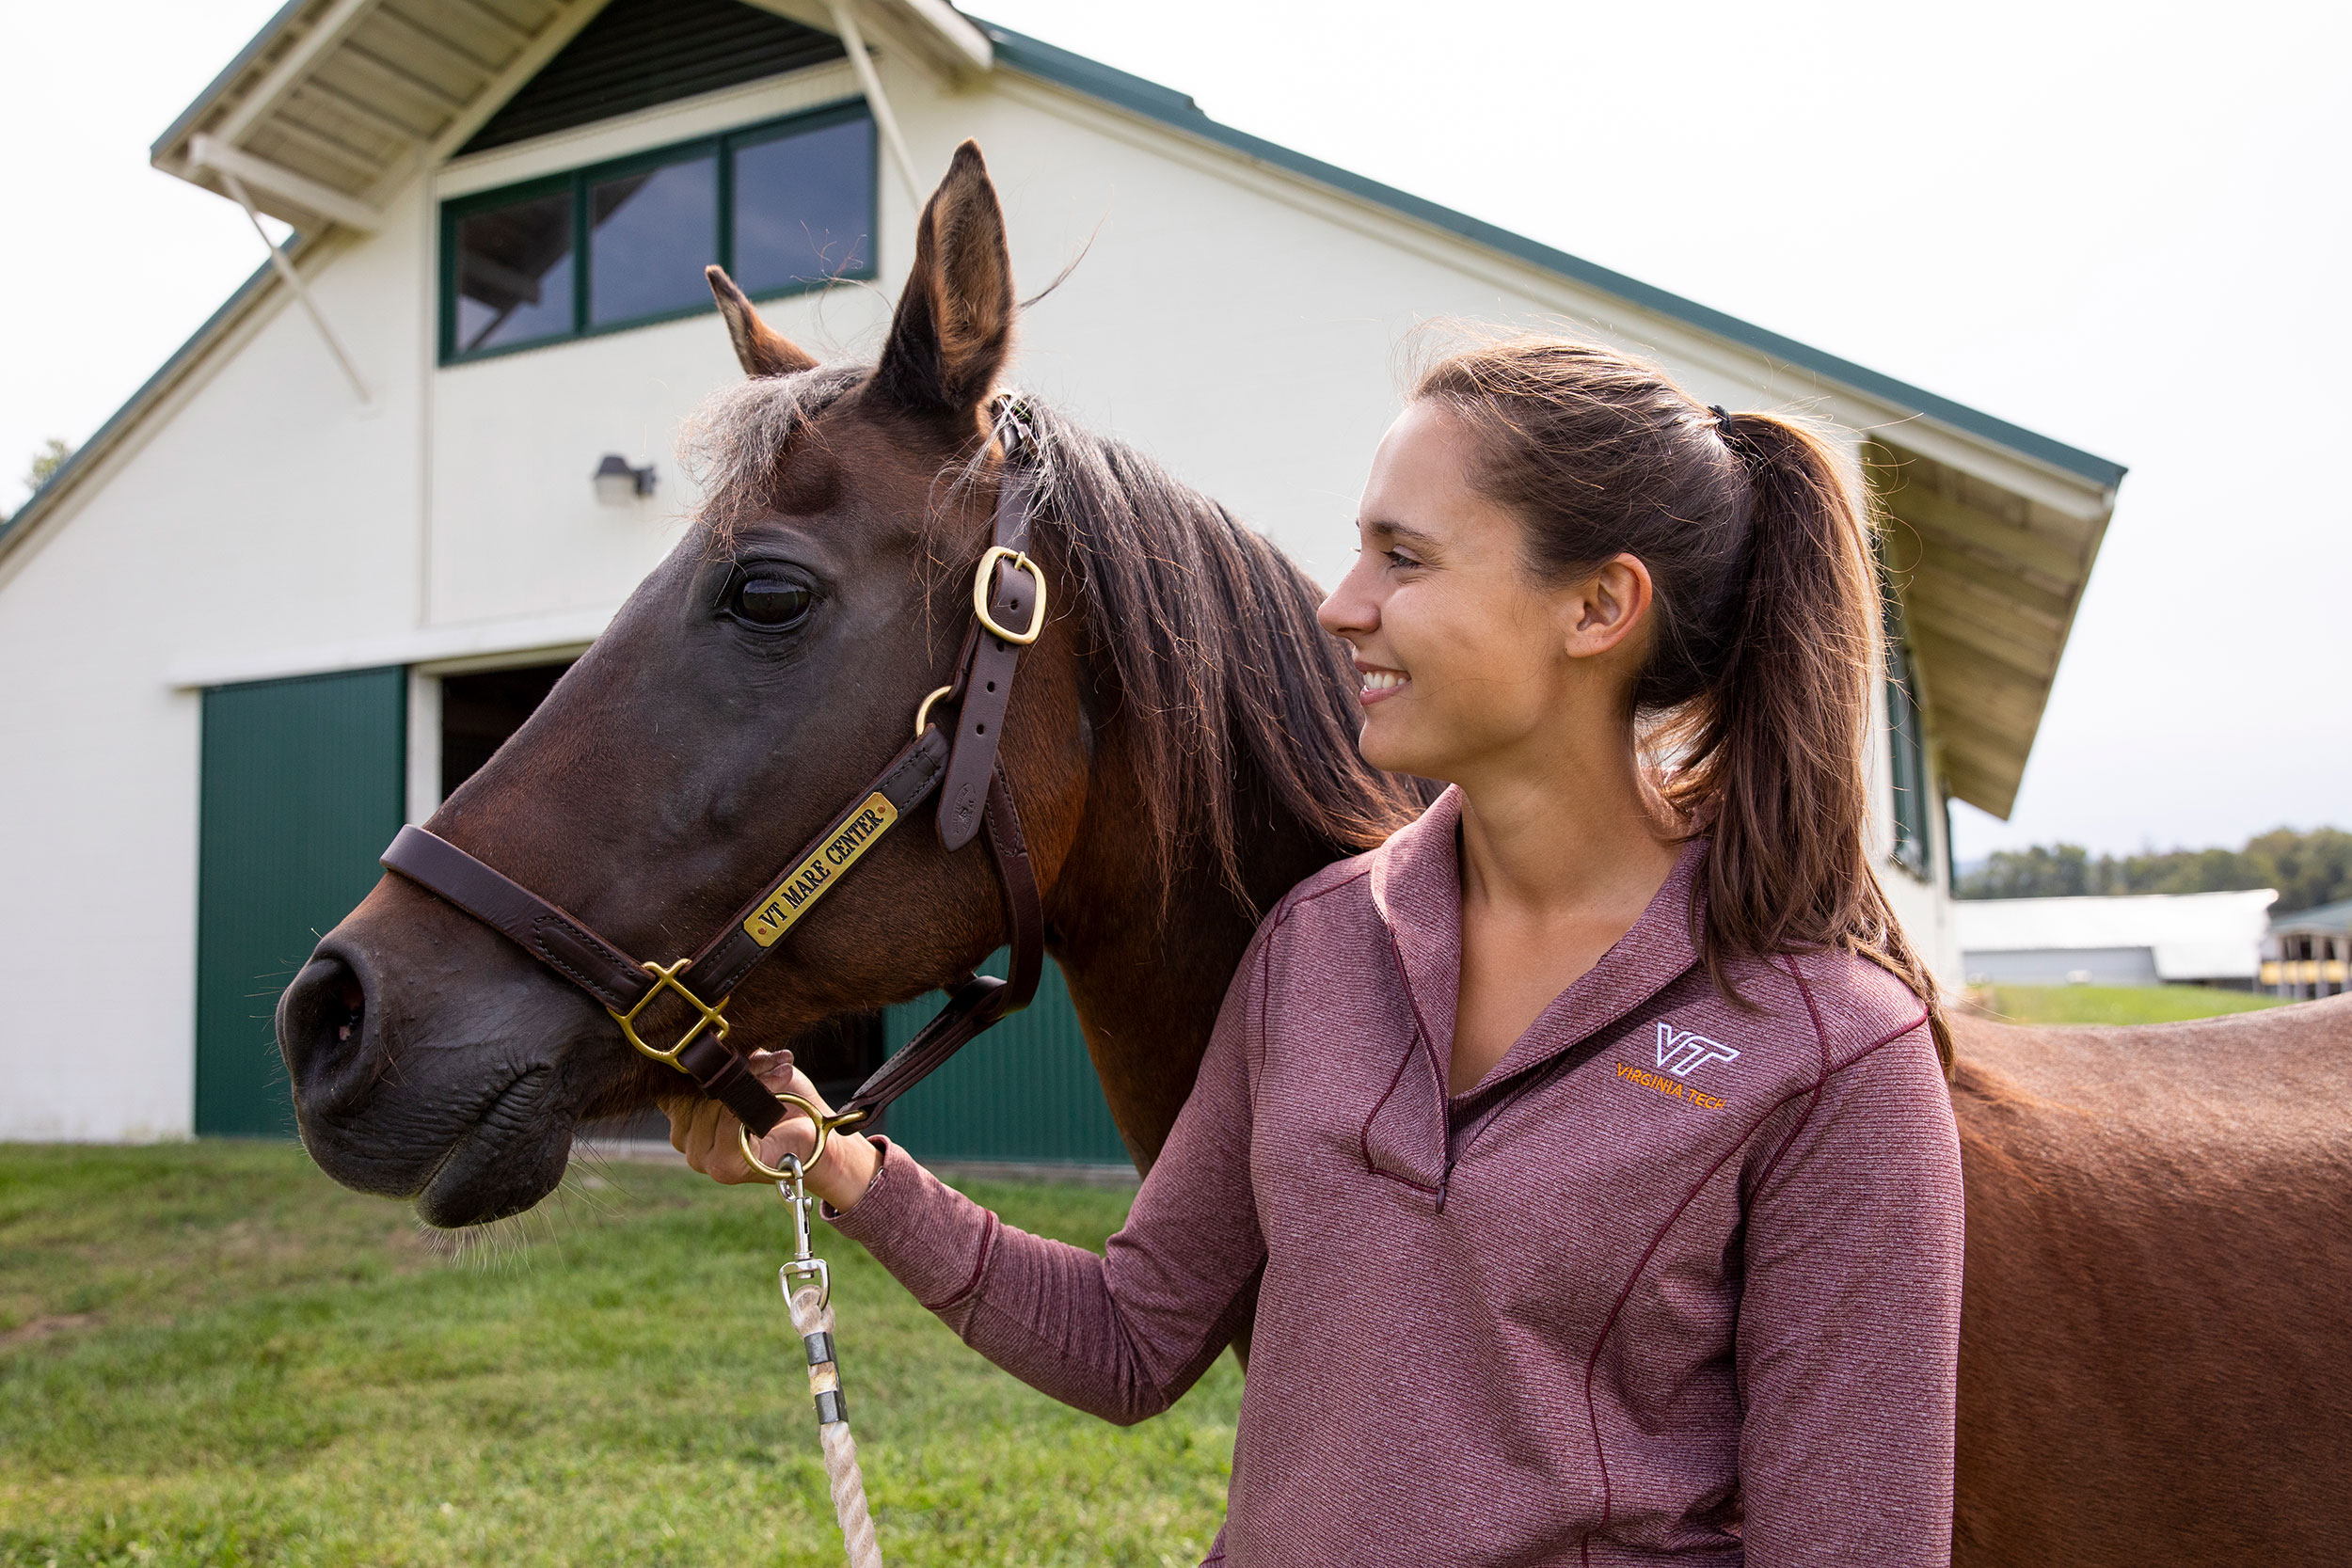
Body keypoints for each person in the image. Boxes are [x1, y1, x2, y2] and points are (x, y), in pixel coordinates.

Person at [666, 336, 1965, 1566]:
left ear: (1598, 607)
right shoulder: (1320, 943)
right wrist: (839, 1162)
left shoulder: (1830, 1050)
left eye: (1404, 558)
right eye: (1359, 551)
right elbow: (1133, 1336)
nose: (1341, 606)